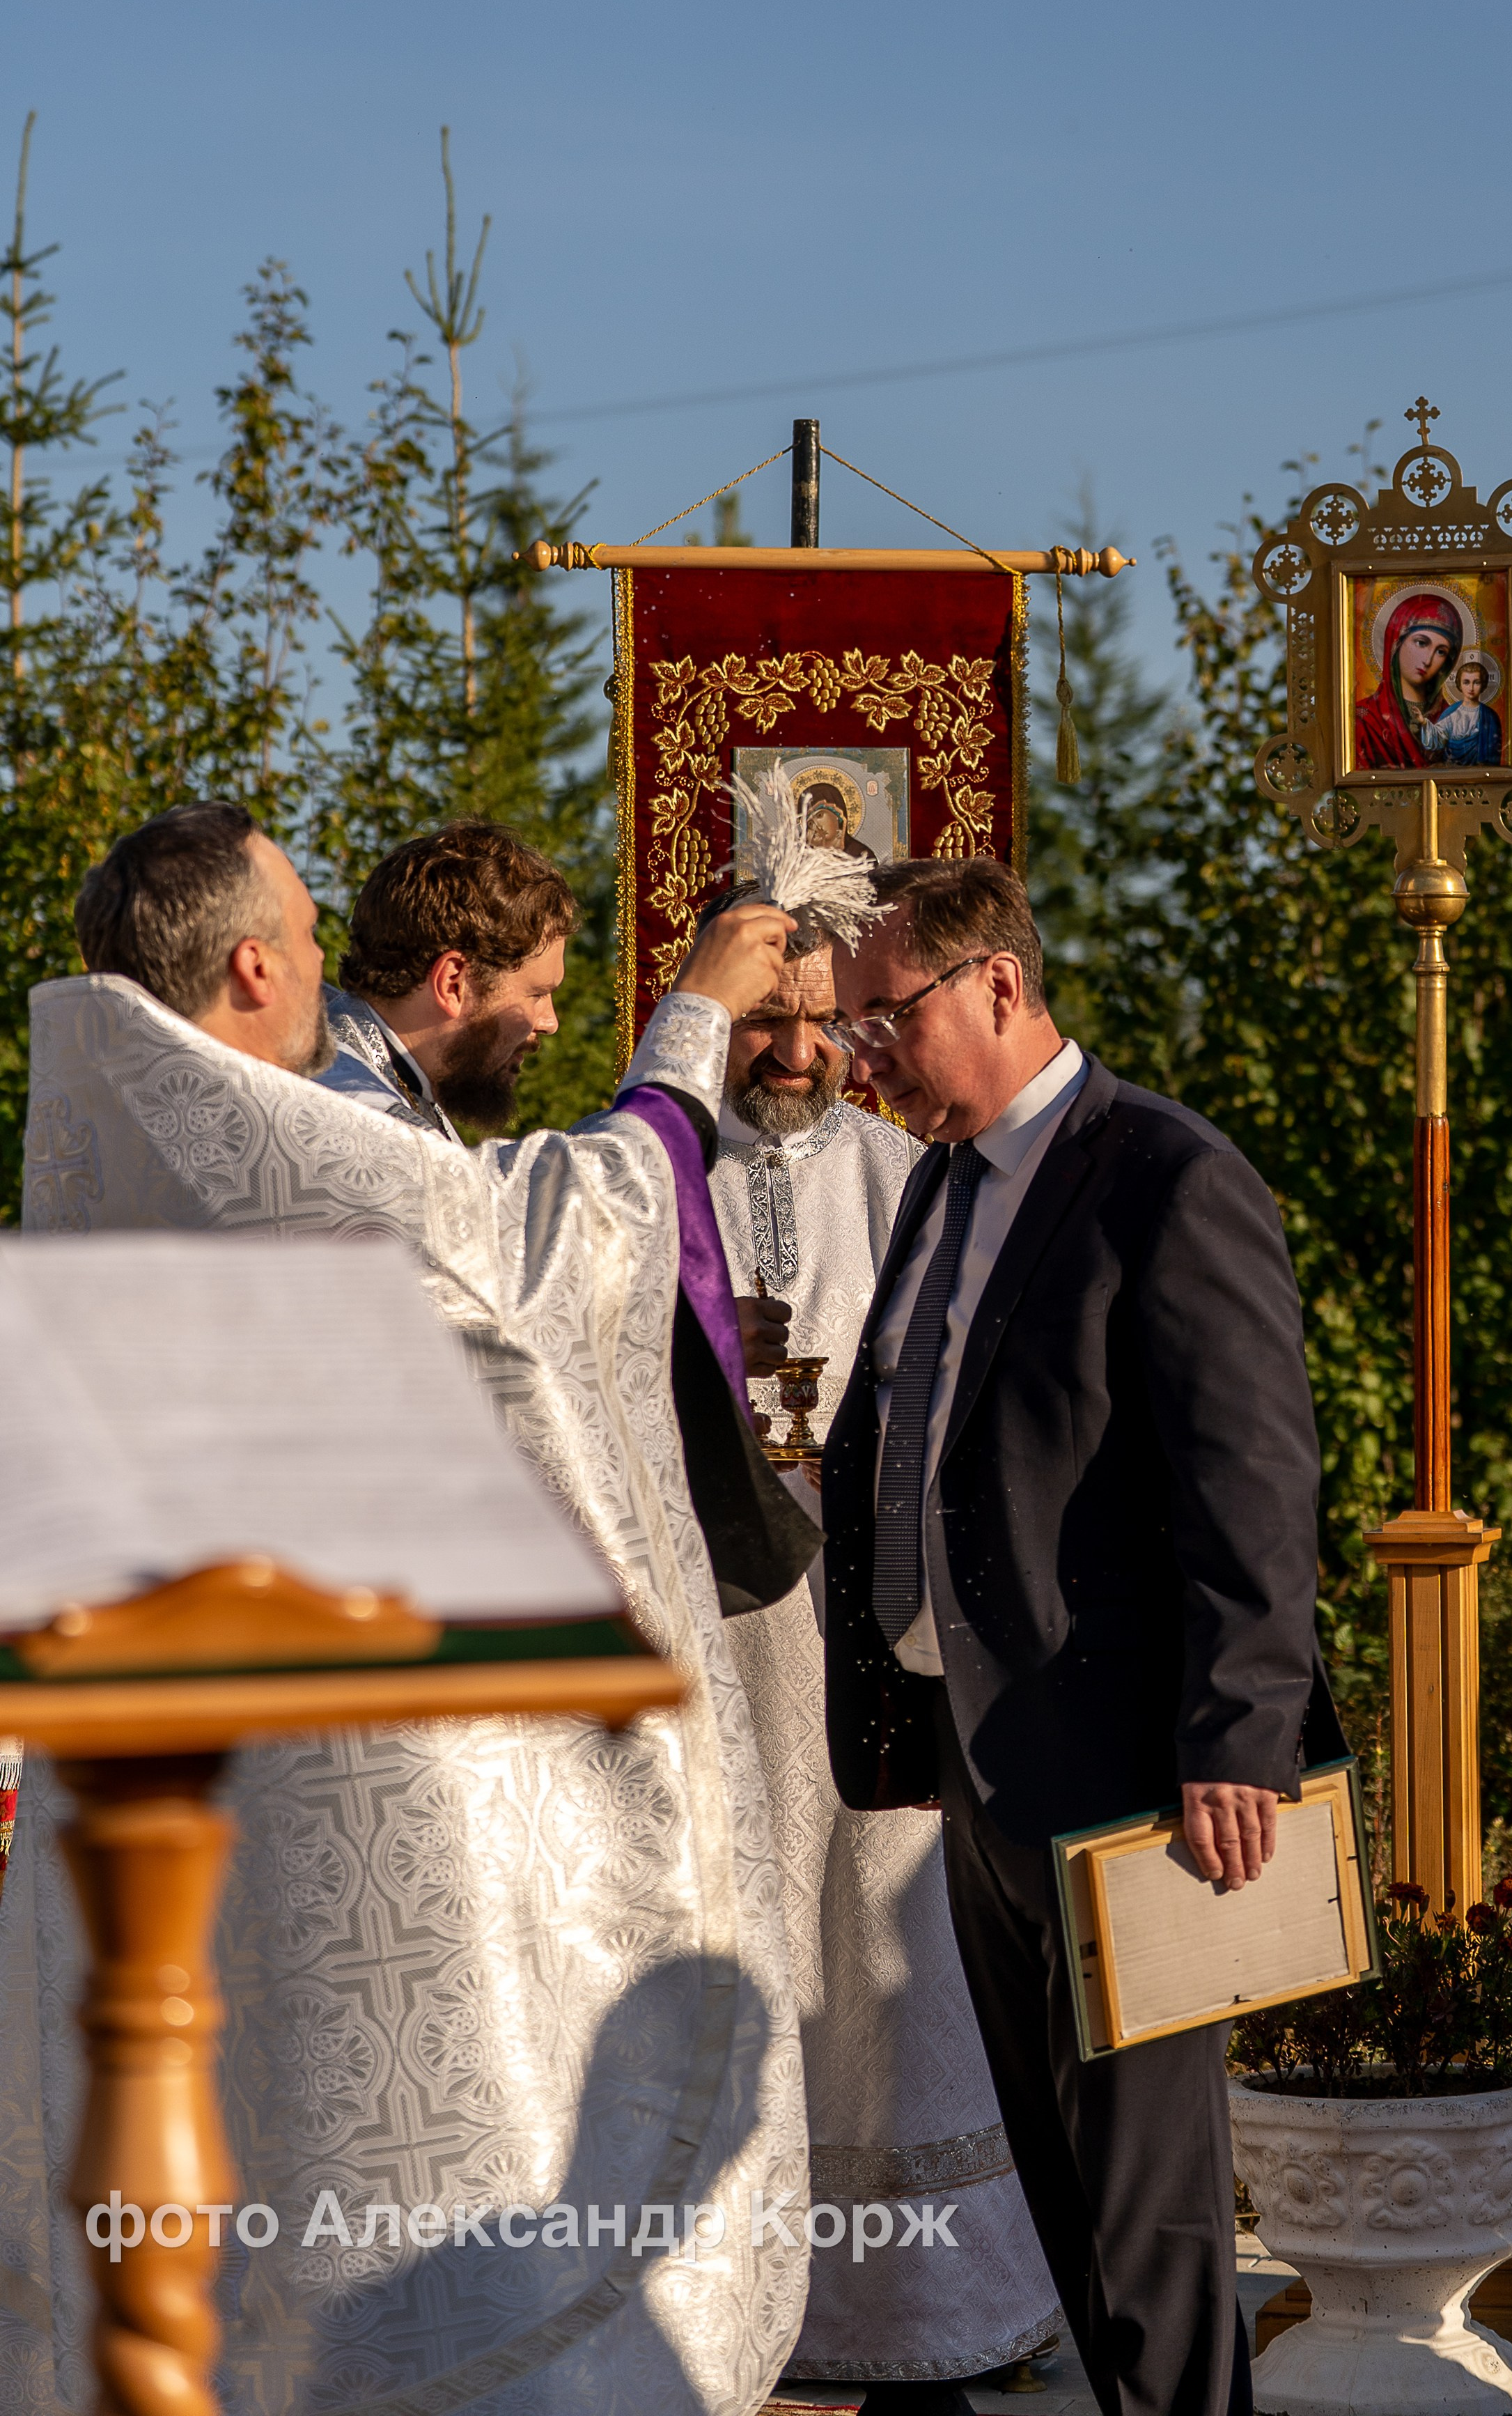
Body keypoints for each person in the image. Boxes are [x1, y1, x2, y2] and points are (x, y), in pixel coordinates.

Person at [2, 801, 818, 2416]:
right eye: (310, 936)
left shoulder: (133, 1155)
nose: (328, 962)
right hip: (353, 1794)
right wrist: (694, 1022)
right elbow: (541, 1254)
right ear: (253, 964)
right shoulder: (288, 1149)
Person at [821, 857, 1346, 2416]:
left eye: (885, 1017)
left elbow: (1252, 1479)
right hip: (978, 1757)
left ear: (998, 982)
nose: (864, 1055)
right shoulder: (940, 1180)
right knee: (1061, 2187)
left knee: (1147, 2209)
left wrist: (1237, 1735)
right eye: (853, 1026)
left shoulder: (1164, 1175)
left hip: (1129, 1768)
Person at [703, 892, 1063, 2413]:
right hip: (719, 1650)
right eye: (762, 1023)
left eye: (818, 1022)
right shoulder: (644, 1178)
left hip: (876, 1648)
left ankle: (938, 2306)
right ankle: (725, 2313)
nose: (794, 1052)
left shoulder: (913, 1176)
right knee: (736, 1952)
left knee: (897, 1968)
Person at [319, 820, 572, 1139]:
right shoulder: (362, 1117)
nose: (550, 1023)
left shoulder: (396, 1083)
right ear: (453, 983)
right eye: (537, 994)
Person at [1354, 591, 1461, 769]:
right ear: (1396, 642)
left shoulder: (1454, 720)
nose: (1428, 660)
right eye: (1421, 643)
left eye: (1441, 652)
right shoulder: (1365, 720)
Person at [1420, 656, 1503, 766]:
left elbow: (1494, 753)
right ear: (1460, 684)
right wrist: (1424, 723)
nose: (1471, 688)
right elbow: (1436, 738)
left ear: (1483, 684)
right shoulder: (1451, 713)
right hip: (1452, 770)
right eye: (1466, 682)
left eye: (1476, 683)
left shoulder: (1490, 716)